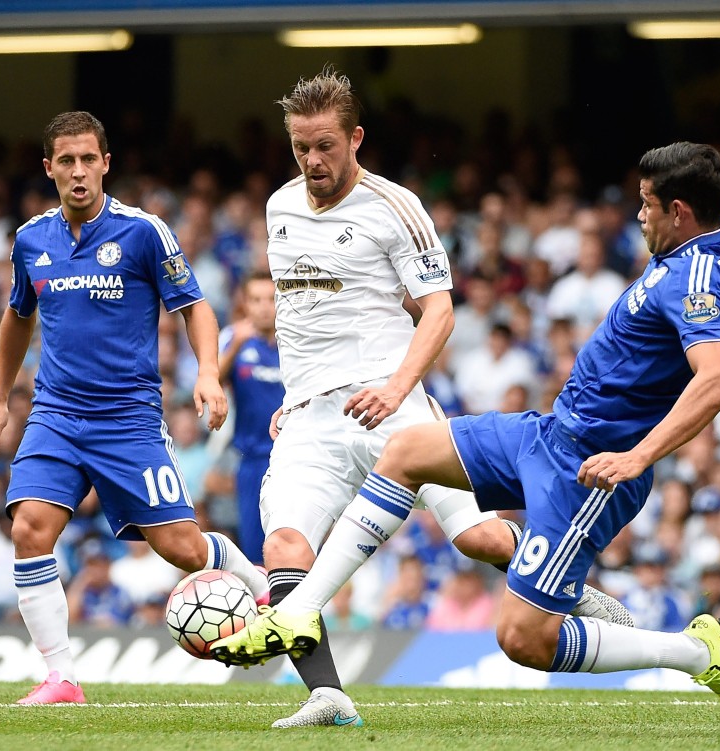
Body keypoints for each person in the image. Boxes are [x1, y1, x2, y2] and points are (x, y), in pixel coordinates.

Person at [213, 18, 720, 716]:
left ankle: (694, 652)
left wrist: (637, 457)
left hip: (589, 468)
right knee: (406, 452)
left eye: (644, 205)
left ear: (678, 211)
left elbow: (719, 379)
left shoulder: (692, 284)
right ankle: (300, 610)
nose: (635, 217)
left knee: (521, 637)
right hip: (549, 431)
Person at [228, 68, 629, 730]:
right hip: (310, 419)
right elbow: (300, 315)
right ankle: (328, 697)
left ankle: (569, 585)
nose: (313, 160)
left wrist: (395, 388)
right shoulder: (279, 208)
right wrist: (297, 392)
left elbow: (439, 311)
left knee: (476, 536)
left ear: (356, 138)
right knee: (286, 546)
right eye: (301, 147)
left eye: (325, 145)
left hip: (393, 404)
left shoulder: (395, 207)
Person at [0, 111, 270, 706]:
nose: (78, 171)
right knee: (30, 528)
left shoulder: (143, 232)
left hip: (127, 420)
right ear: (49, 168)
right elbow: (17, 315)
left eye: (89, 159)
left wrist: (208, 374)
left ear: (106, 163)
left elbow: (195, 306)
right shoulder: (31, 239)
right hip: (56, 414)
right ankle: (62, 678)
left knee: (183, 548)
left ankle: (256, 580)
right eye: (66, 161)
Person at [217, 270, 285, 562]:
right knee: (255, 550)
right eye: (256, 300)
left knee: (294, 544)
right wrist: (235, 347)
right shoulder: (233, 339)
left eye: (271, 299)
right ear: (244, 303)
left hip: (294, 458)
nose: (264, 307)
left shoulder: (296, 341)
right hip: (252, 460)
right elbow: (210, 384)